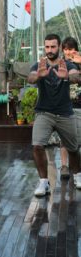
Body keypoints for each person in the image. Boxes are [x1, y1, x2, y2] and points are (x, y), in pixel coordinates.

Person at [27, 33, 81, 197]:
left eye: (53, 47)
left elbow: (76, 76)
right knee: (37, 145)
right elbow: (30, 78)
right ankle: (44, 182)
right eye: (47, 47)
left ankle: (78, 175)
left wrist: (69, 76)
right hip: (44, 112)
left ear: (59, 48)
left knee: (73, 149)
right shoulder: (39, 65)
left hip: (65, 113)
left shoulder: (68, 64)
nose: (50, 50)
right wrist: (38, 75)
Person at [57, 37, 81, 179]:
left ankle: (76, 165)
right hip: (66, 104)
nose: (68, 52)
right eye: (66, 49)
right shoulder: (61, 63)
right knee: (64, 137)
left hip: (79, 104)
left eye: (71, 48)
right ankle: (64, 166)